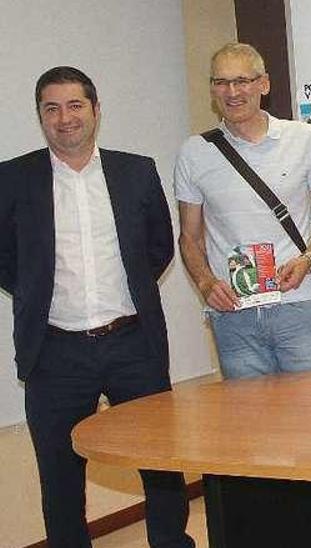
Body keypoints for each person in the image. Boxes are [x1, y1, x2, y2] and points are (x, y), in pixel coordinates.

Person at [0, 66, 193, 548]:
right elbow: (6, 260)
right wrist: (37, 293)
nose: (64, 118)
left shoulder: (136, 171)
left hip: (134, 344)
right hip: (55, 352)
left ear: (95, 110)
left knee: (161, 464)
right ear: (40, 116)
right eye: (52, 108)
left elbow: (158, 248)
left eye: (75, 105)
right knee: (60, 478)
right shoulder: (12, 179)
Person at [174, 43, 311, 379]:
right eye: (221, 82)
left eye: (242, 81)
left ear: (263, 84)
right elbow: (189, 237)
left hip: (298, 304)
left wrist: (307, 260)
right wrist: (206, 284)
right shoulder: (194, 153)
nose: (232, 92)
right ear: (212, 89)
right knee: (250, 424)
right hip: (234, 315)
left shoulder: (304, 138)